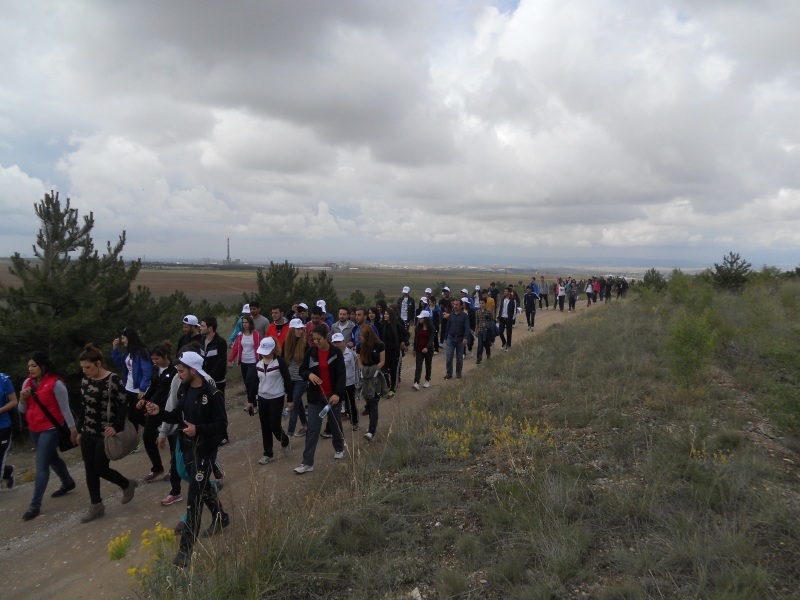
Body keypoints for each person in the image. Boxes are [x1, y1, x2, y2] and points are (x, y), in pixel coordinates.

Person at [145, 351, 229, 567]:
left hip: (204, 452)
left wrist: (198, 430)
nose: (178, 375)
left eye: (181, 371)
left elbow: (222, 426)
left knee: (194, 500)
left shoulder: (212, 393)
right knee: (200, 487)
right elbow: (177, 416)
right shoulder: (183, 389)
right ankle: (221, 516)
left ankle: (184, 552)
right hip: (187, 448)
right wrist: (159, 412)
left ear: (194, 370)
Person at [76, 344, 138, 523]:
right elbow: (83, 406)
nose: (85, 371)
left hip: (105, 433)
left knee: (100, 467)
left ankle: (127, 484)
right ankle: (96, 505)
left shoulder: (113, 379)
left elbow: (123, 404)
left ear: (99, 363)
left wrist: (116, 426)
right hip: (88, 430)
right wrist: (80, 430)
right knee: (89, 468)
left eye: (88, 367)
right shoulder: (86, 381)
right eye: (83, 368)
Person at [17, 351, 78, 521]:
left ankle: (35, 504)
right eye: (29, 366)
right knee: (51, 458)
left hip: (50, 429)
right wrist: (22, 399)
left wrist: (73, 430)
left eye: (34, 366)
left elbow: (65, 409)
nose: (31, 369)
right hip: (34, 429)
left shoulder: (55, 383)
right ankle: (67, 482)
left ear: (43, 366)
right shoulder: (27, 383)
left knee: (41, 464)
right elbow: (22, 410)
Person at [294, 324, 347, 474]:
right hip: (315, 397)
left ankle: (339, 447)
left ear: (326, 337)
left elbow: (342, 375)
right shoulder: (311, 352)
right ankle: (307, 462)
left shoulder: (336, 353)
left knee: (335, 423)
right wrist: (308, 375)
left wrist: (337, 393)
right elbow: (302, 369)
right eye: (314, 339)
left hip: (332, 396)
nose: (316, 342)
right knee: (312, 429)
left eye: (318, 339)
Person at [137, 341, 178, 482]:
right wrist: (144, 398)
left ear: (165, 356)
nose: (155, 362)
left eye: (157, 359)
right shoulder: (155, 369)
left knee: (173, 439)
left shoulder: (174, 370)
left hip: (170, 409)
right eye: (153, 359)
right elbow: (152, 386)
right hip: (155, 408)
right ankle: (157, 467)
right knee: (148, 437)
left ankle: (175, 469)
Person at [247, 337, 292, 465]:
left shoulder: (280, 362)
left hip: (276, 397)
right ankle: (268, 453)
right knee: (265, 426)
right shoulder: (258, 363)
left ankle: (284, 440)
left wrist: (290, 399)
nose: (264, 353)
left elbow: (287, 381)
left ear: (273, 350)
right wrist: (251, 400)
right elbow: (254, 383)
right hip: (262, 398)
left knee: (274, 425)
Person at [111, 327, 151, 438]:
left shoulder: (142, 352)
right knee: (131, 417)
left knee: (141, 416)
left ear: (129, 338)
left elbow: (147, 372)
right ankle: (134, 441)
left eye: (123, 338)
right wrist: (115, 349)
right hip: (128, 388)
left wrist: (143, 389)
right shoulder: (129, 352)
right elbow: (119, 362)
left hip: (138, 390)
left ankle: (154, 433)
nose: (122, 340)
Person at [200, 316, 229, 443]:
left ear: (210, 328)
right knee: (206, 407)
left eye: (202, 326)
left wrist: (209, 377)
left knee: (219, 408)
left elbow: (221, 362)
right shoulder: (201, 341)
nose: (200, 328)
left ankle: (224, 435)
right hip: (203, 381)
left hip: (217, 382)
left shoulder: (220, 342)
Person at [357, 325, 385, 441]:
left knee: (373, 404)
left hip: (376, 377)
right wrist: (365, 372)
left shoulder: (380, 345)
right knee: (368, 403)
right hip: (364, 377)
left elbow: (382, 361)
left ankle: (371, 431)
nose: (360, 338)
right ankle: (370, 426)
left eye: (362, 336)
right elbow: (360, 363)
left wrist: (374, 371)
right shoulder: (359, 347)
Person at [228, 314, 262, 409]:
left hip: (253, 362)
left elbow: (261, 348)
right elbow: (235, 349)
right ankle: (251, 402)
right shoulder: (240, 335)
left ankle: (253, 404)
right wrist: (231, 360)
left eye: (246, 322)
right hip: (243, 362)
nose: (245, 324)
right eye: (243, 323)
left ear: (250, 323)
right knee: (247, 384)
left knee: (249, 381)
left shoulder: (257, 335)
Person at [284, 319, 309, 438]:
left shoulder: (305, 345)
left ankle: (289, 435)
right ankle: (306, 426)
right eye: (298, 329)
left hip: (301, 379)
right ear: (292, 330)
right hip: (290, 379)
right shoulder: (286, 344)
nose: (301, 331)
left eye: (301, 329)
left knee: (293, 405)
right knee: (298, 403)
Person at [332, 332, 360, 431]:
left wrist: (357, 383)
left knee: (351, 403)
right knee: (337, 405)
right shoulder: (333, 355)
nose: (337, 344)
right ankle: (335, 426)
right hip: (338, 384)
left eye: (339, 342)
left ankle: (355, 422)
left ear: (343, 341)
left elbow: (356, 368)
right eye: (335, 342)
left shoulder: (351, 354)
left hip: (350, 382)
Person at [378, 306, 407, 397]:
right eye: (384, 314)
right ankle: (387, 386)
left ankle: (393, 389)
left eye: (387, 314)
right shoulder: (384, 325)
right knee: (385, 370)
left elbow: (407, 333)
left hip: (395, 351)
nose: (385, 316)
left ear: (391, 315)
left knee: (394, 370)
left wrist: (403, 342)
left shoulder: (397, 324)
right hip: (386, 351)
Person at [0, 372, 19, 490]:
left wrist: (0, 410)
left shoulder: (4, 379)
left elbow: (14, 401)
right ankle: (7, 472)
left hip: (3, 425)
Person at [443, 298, 469, 380]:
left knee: (459, 358)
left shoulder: (465, 316)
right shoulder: (451, 315)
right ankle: (449, 373)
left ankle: (458, 373)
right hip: (450, 338)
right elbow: (448, 326)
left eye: (457, 305)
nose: (455, 306)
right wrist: (445, 337)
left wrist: (465, 337)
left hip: (460, 339)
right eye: (454, 304)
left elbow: (467, 328)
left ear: (461, 306)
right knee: (449, 357)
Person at [412, 311, 434, 390]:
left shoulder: (431, 327)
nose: (419, 319)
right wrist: (414, 349)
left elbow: (431, 339)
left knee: (428, 365)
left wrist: (427, 348)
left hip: (428, 349)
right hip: (419, 349)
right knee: (418, 366)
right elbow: (416, 338)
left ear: (425, 318)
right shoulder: (418, 327)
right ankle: (416, 382)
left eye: (421, 318)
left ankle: (427, 380)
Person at [474, 297, 495, 364]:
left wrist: (487, 325)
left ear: (485, 304)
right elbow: (477, 322)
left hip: (487, 331)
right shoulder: (477, 312)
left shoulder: (488, 312)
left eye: (482, 303)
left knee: (486, 344)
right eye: (480, 303)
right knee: (480, 345)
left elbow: (491, 321)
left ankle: (488, 354)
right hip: (480, 330)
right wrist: (476, 331)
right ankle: (479, 358)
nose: (481, 304)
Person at [498, 287, 517, 351]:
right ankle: (504, 342)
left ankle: (508, 346)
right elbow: (500, 308)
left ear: (509, 292)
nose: (504, 292)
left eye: (506, 291)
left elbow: (514, 310)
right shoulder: (502, 299)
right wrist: (498, 316)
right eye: (504, 291)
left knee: (508, 333)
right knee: (500, 332)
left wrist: (512, 319)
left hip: (509, 318)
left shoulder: (513, 300)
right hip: (502, 317)